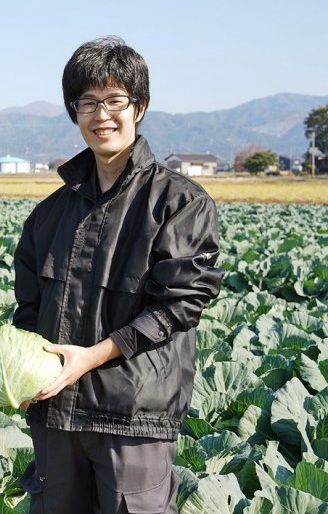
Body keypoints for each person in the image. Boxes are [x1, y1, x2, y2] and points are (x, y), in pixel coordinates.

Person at [13, 37, 223, 514]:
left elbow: (180, 305)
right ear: (74, 112)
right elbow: (27, 311)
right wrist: (21, 376)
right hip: (55, 415)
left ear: (139, 107)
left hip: (133, 417)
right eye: (87, 103)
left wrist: (91, 357)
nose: (101, 114)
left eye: (114, 101)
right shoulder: (48, 214)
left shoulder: (179, 202)